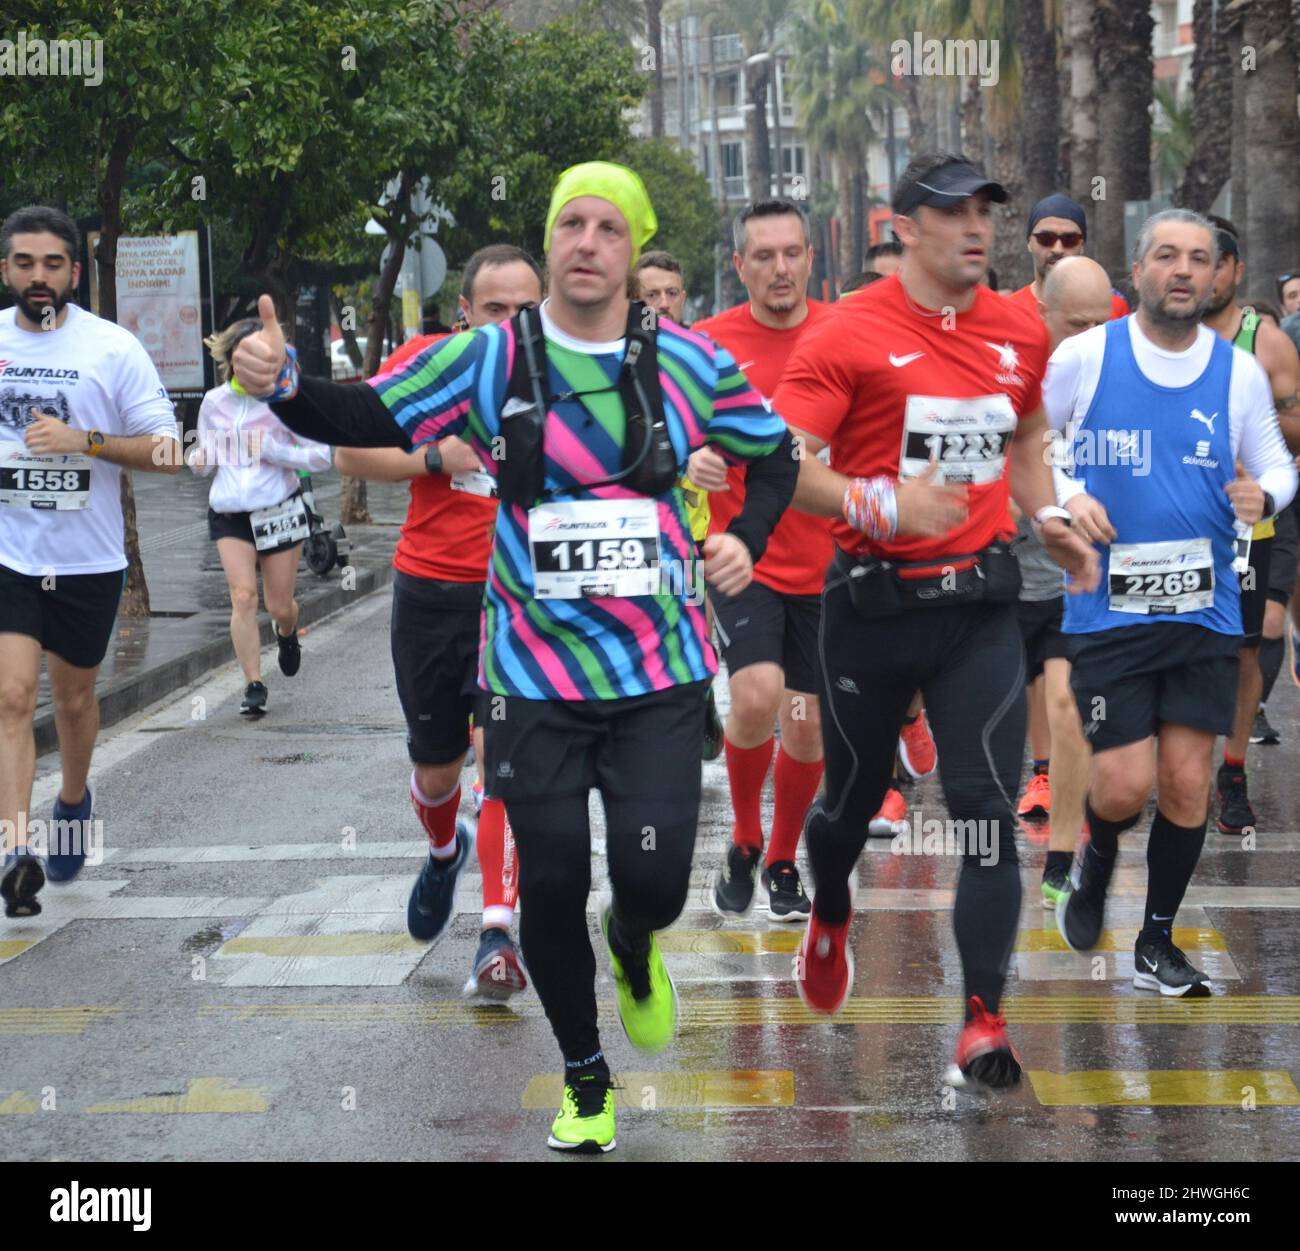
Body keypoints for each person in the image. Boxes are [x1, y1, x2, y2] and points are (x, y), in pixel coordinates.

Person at [230, 162, 797, 1153]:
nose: (587, 242)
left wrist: (744, 531)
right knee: (550, 883)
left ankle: (632, 947)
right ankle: (585, 1078)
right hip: (531, 681)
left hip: (656, 676)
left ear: (632, 248)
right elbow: (366, 415)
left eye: (608, 227)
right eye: (569, 225)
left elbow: (777, 450)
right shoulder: (491, 357)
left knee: (652, 882)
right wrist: (283, 383)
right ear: (548, 246)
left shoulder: (690, 361)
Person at [774, 153, 1099, 1092]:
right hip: (870, 606)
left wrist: (1049, 517)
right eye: (953, 213)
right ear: (904, 226)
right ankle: (829, 906)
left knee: (986, 810)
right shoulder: (847, 332)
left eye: (986, 212)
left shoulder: (1016, 329)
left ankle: (983, 1019)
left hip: (980, 606)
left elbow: (1027, 440)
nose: (976, 229)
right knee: (846, 802)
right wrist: (880, 506)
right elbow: (786, 465)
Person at [1050, 209, 1295, 996]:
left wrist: (1267, 491)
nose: (1183, 270)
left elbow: (1278, 466)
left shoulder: (1238, 371)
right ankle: (1095, 856)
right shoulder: (1085, 357)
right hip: (1107, 610)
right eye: (1166, 256)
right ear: (1139, 271)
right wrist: (1066, 498)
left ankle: (1156, 940)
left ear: (1219, 274)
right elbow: (1031, 445)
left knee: (1188, 784)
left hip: (1206, 606)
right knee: (1123, 786)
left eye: (1199, 258)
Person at [333, 244, 543, 999]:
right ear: (466, 313)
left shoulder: (569, 378)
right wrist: (433, 458)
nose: (513, 324)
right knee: (437, 769)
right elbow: (351, 452)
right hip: (431, 596)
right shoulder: (433, 362)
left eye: (527, 310)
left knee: (504, 767)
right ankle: (443, 847)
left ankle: (495, 933)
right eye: (496, 310)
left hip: (519, 600)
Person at [0, 206, 181, 918]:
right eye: (24, 262)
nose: (38, 276)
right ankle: (16, 848)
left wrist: (87, 440)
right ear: (7, 270)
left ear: (74, 271)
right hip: (9, 557)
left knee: (74, 698)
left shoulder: (112, 348)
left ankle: (72, 798)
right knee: (12, 697)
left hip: (87, 563)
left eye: (52, 264)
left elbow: (169, 451)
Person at [690, 199, 831, 923]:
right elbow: (665, 442)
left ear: (812, 258)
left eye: (792, 253)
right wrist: (694, 459)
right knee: (754, 696)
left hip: (830, 566)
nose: (780, 267)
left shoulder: (844, 338)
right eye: (763, 255)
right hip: (743, 560)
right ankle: (744, 832)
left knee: (805, 724)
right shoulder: (707, 348)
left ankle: (780, 858)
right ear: (739, 265)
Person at [1016, 256, 1118, 907]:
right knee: (992, 732)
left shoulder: (1122, 382)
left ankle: (1060, 862)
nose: (1085, 335)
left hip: (1069, 586)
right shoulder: (1013, 378)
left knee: (1067, 708)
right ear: (1044, 314)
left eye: (1098, 322)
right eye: (1073, 322)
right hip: (996, 582)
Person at [1197, 217, 1300, 832]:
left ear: (1236, 269)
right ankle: (1169, 768)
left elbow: (1295, 432)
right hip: (1167, 527)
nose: (1198, 273)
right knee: (1172, 651)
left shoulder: (1265, 342)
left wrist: (1254, 426)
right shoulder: (1146, 337)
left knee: (1244, 648)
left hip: (1246, 527)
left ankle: (1231, 770)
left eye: (1213, 260)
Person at [189, 321, 332, 715]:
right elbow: (206, 456)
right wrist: (199, 460)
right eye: (241, 354)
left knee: (279, 604)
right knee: (243, 597)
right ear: (231, 357)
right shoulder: (214, 402)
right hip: (230, 511)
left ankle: (287, 633)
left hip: (279, 509)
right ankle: (253, 682)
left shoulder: (287, 401)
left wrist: (275, 452)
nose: (247, 362)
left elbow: (322, 455)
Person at [1008, 194, 1130, 322]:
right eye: (1046, 238)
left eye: (1069, 240)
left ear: (1082, 245)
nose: (1057, 249)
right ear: (1029, 242)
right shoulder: (1009, 311)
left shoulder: (1113, 308)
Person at [632, 250, 687, 324]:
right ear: (635, 300)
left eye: (672, 293)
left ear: (683, 299)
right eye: (652, 295)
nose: (664, 304)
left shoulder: (699, 336)